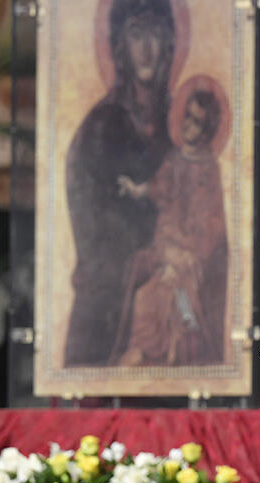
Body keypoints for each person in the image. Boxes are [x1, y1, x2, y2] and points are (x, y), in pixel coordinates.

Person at [63, 0, 175, 366]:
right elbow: (94, 226)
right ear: (120, 47)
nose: (147, 48)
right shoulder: (102, 127)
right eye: (136, 33)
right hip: (107, 306)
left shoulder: (183, 120)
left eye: (156, 33)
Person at [111, 86, 228, 366]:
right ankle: (143, 349)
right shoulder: (174, 159)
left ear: (208, 128)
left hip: (192, 256)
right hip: (167, 245)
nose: (189, 126)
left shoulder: (209, 168)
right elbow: (158, 188)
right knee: (143, 289)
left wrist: (186, 255)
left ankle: (157, 351)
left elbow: (212, 223)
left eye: (197, 122)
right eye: (187, 117)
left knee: (159, 295)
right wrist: (137, 189)